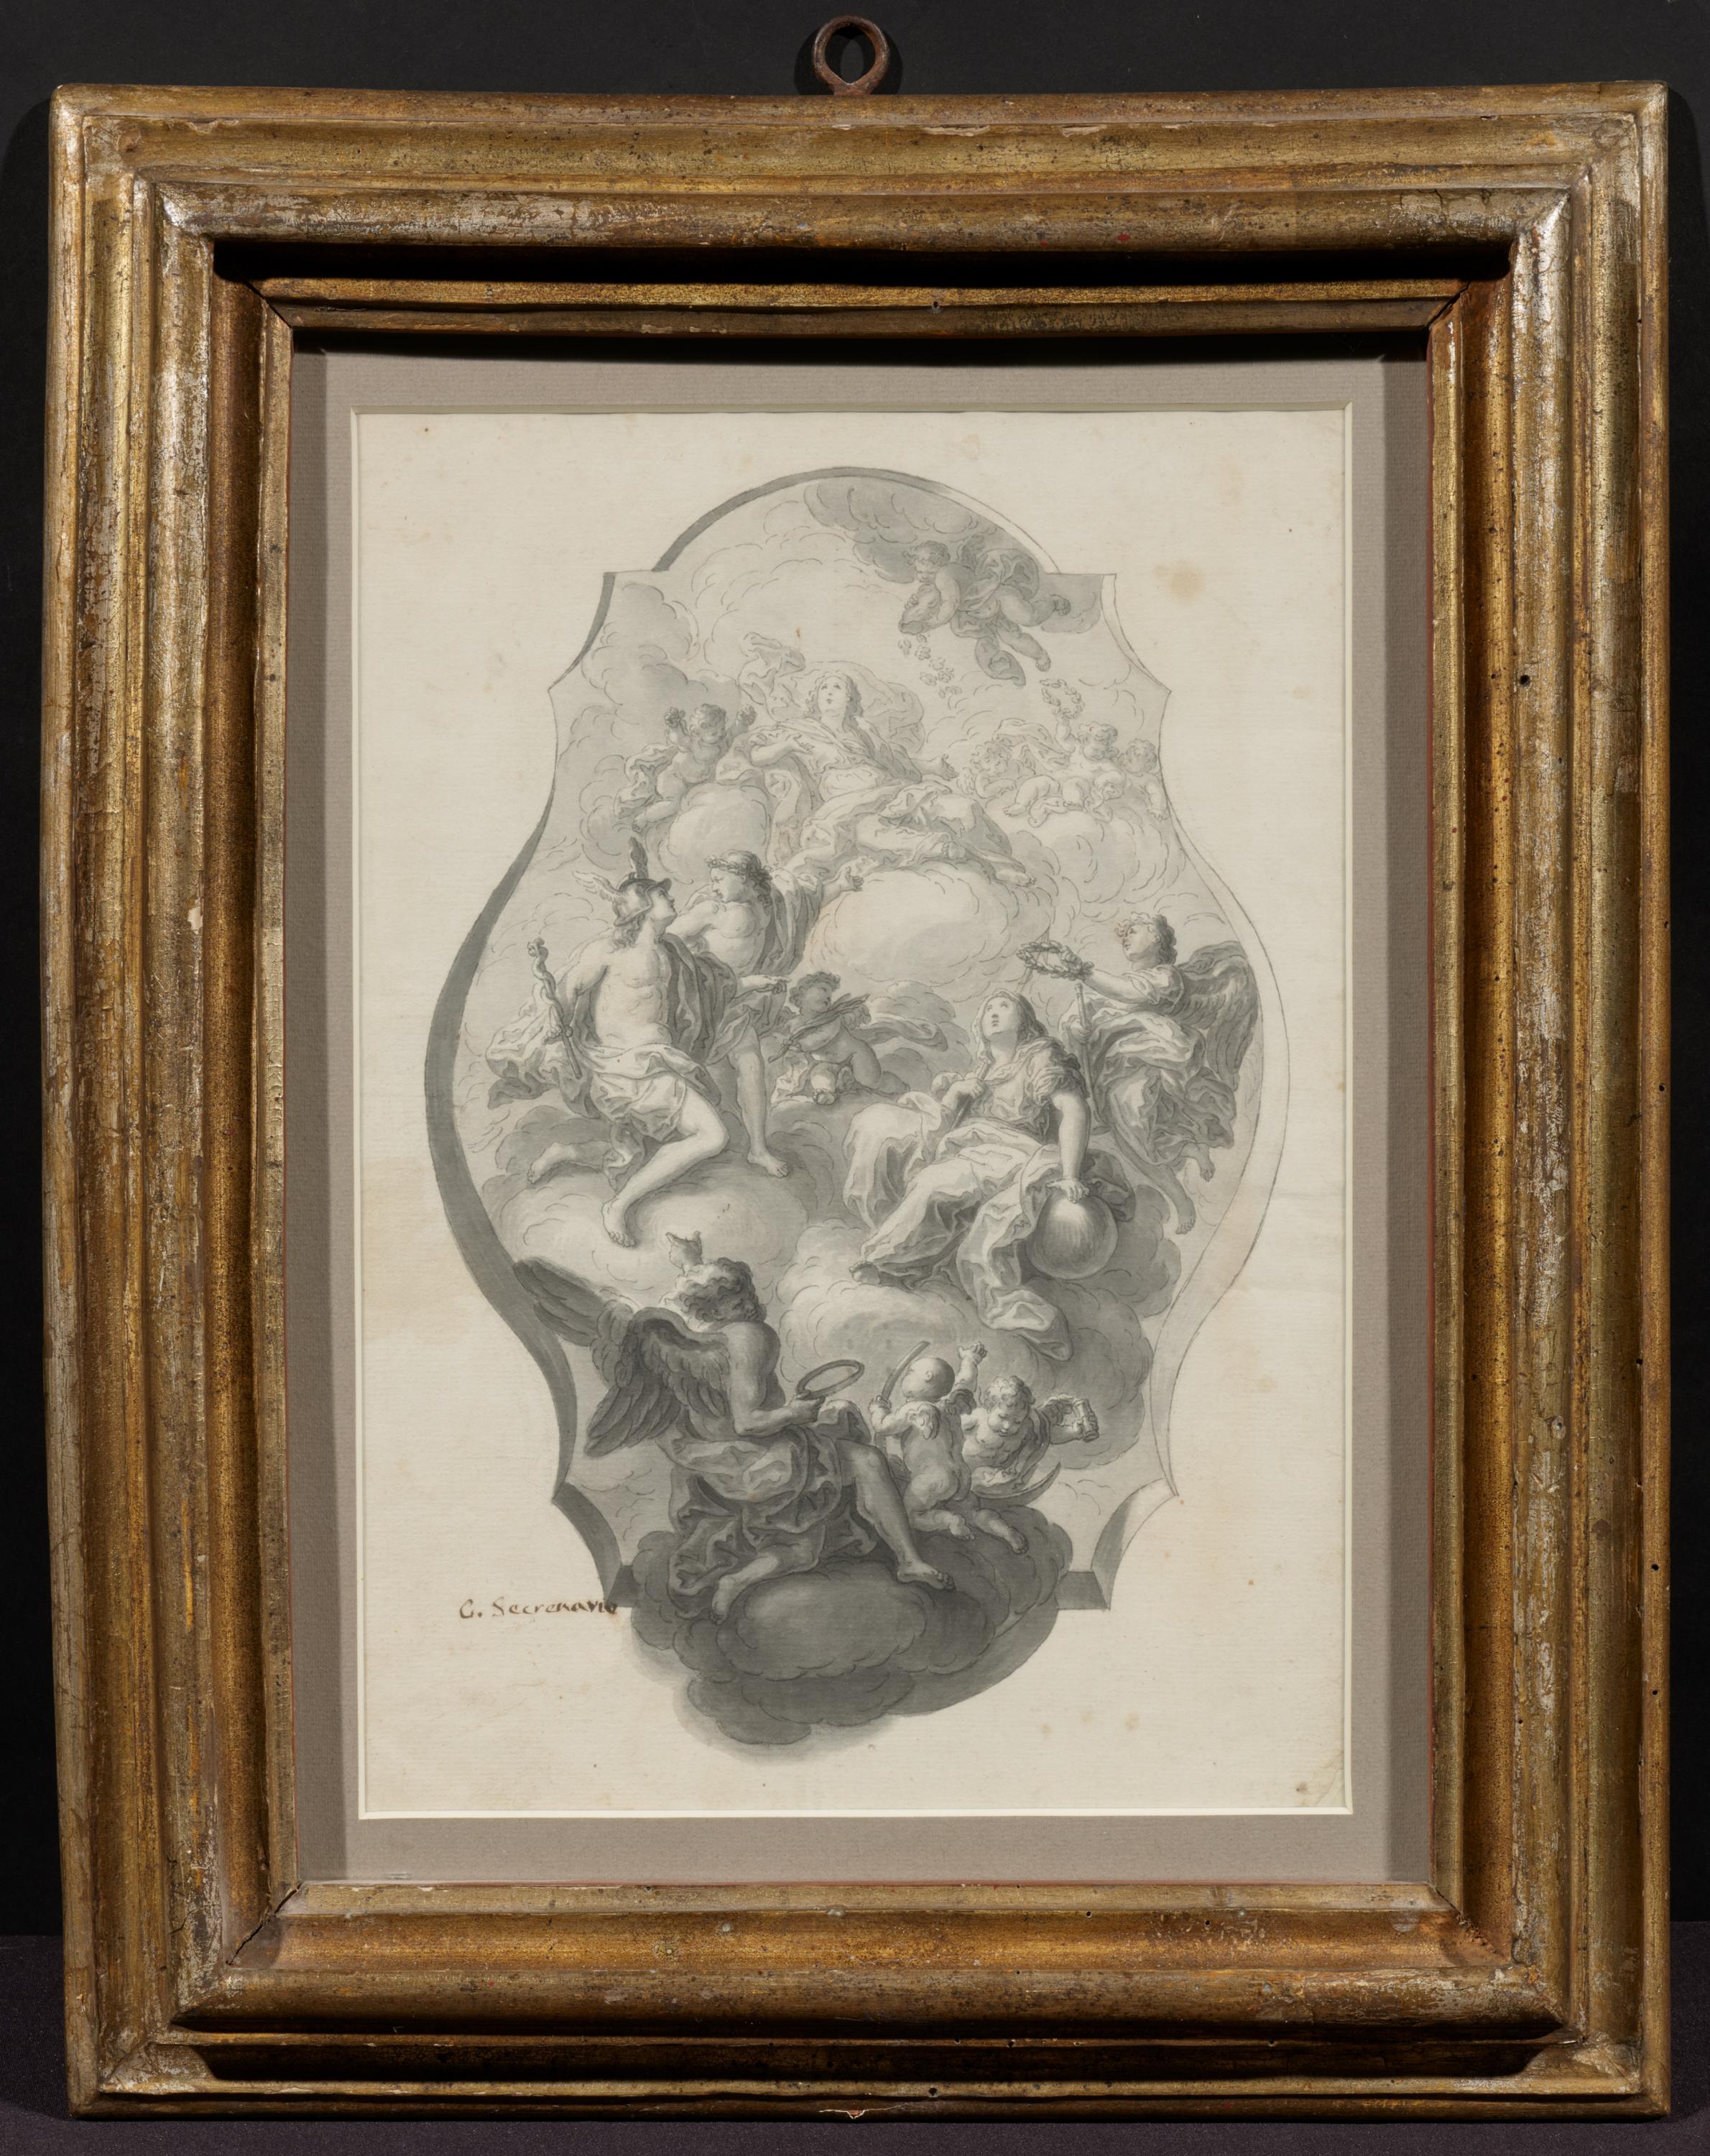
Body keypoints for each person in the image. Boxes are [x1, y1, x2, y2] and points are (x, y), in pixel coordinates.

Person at [578, 1241, 948, 1617]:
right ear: (716, 1309)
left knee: (802, 1545)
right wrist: (795, 1412)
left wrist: (692, 1262)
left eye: (747, 1295)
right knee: (866, 1461)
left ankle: (736, 1581)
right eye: (738, 1301)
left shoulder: (694, 1343)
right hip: (766, 1458)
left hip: (722, 1470)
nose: (750, 1305)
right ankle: (910, 1560)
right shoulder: (748, 1337)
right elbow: (748, 1421)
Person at [844, 989, 1130, 1358]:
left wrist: (1071, 1174)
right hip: (968, 1148)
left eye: (1004, 1006)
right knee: (890, 1138)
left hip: (1012, 1152)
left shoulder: (1039, 1057)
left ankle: (887, 1261)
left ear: (1023, 1019)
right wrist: (956, 1094)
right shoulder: (981, 1070)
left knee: (935, 1184)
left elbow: (1073, 1109)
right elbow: (946, 1126)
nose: (993, 1012)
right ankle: (905, 1261)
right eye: (988, 1008)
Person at [670, 849, 826, 1177]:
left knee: (752, 1065)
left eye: (719, 880)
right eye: (712, 881)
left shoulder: (768, 906)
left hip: (735, 1005)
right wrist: (729, 983)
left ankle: (758, 1148)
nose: (713, 887)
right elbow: (666, 944)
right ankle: (686, 1138)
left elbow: (807, 902)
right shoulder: (712, 910)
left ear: (744, 879)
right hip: (702, 1003)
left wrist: (840, 885)